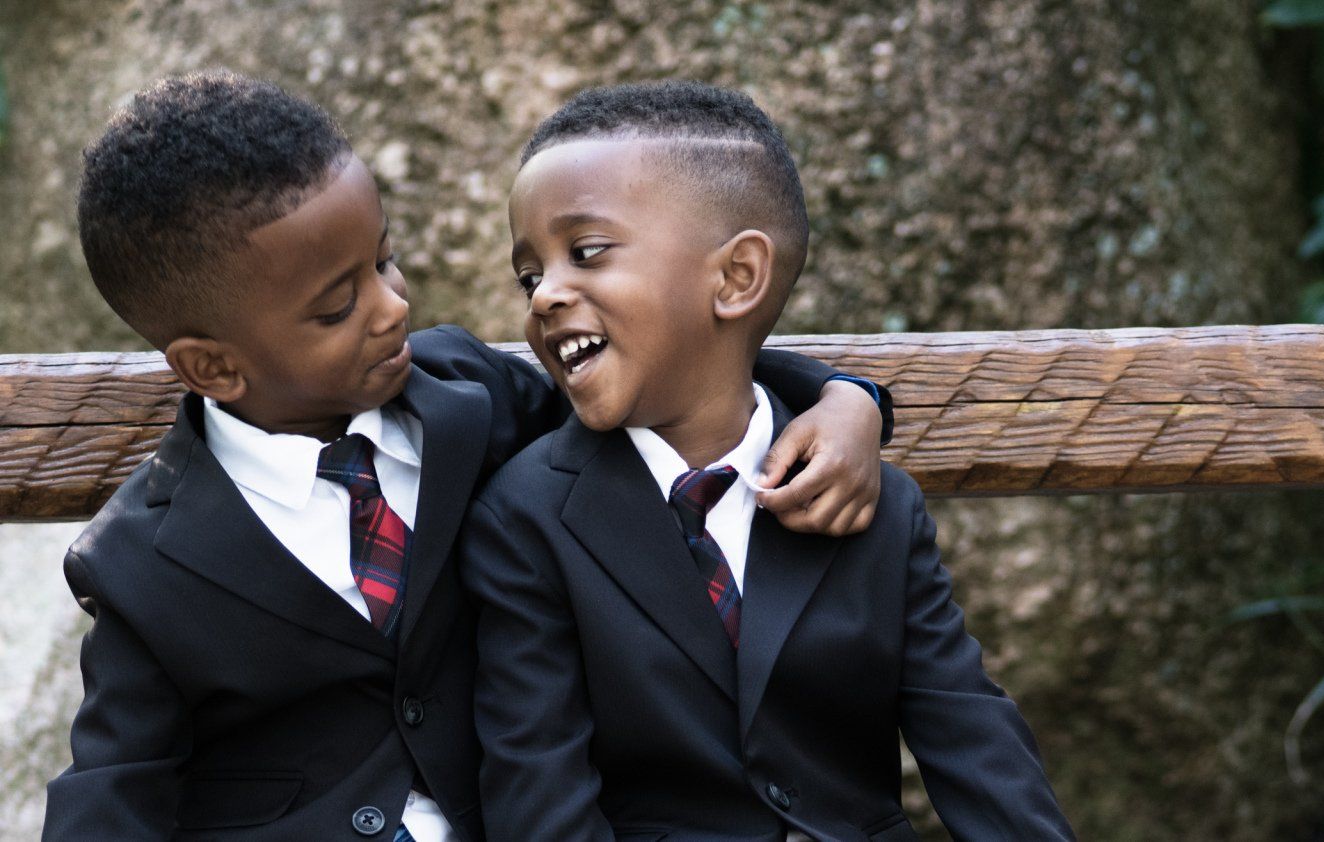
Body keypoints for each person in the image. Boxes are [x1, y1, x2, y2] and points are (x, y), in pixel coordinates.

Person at [43, 71, 892, 842]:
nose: (392, 306)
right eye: (339, 306)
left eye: (383, 259)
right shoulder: (141, 561)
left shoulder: (465, 399)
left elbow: (676, 368)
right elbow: (115, 784)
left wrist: (845, 399)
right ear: (214, 367)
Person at [462, 80, 1074, 841]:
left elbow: (973, 739)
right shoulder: (525, 519)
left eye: (585, 252)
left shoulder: (876, 506)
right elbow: (540, 804)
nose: (546, 294)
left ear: (738, 277)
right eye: (530, 274)